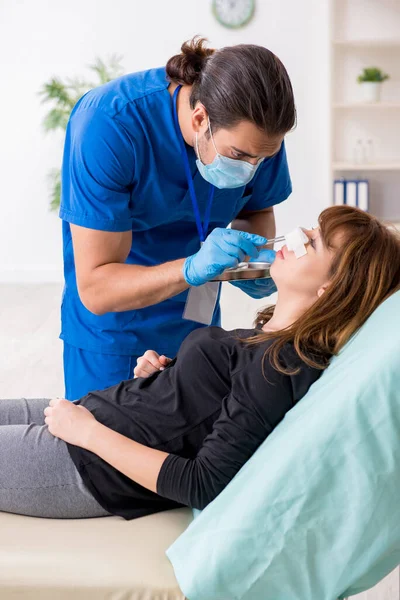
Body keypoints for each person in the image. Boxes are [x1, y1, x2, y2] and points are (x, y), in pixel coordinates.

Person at [1, 207, 399, 520]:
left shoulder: (281, 365)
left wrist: (87, 434)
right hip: (93, 418)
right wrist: (169, 378)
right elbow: (212, 406)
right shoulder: (271, 337)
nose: (296, 235)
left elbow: (205, 484)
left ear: (328, 289)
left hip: (88, 464)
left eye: (312, 242)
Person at [60, 36, 296, 400]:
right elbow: (96, 287)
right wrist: (192, 267)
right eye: (239, 155)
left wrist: (254, 261)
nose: (252, 168)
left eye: (262, 159)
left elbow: (258, 208)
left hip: (198, 327)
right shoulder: (110, 124)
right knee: (100, 445)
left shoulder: (257, 137)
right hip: (116, 329)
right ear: (200, 117)